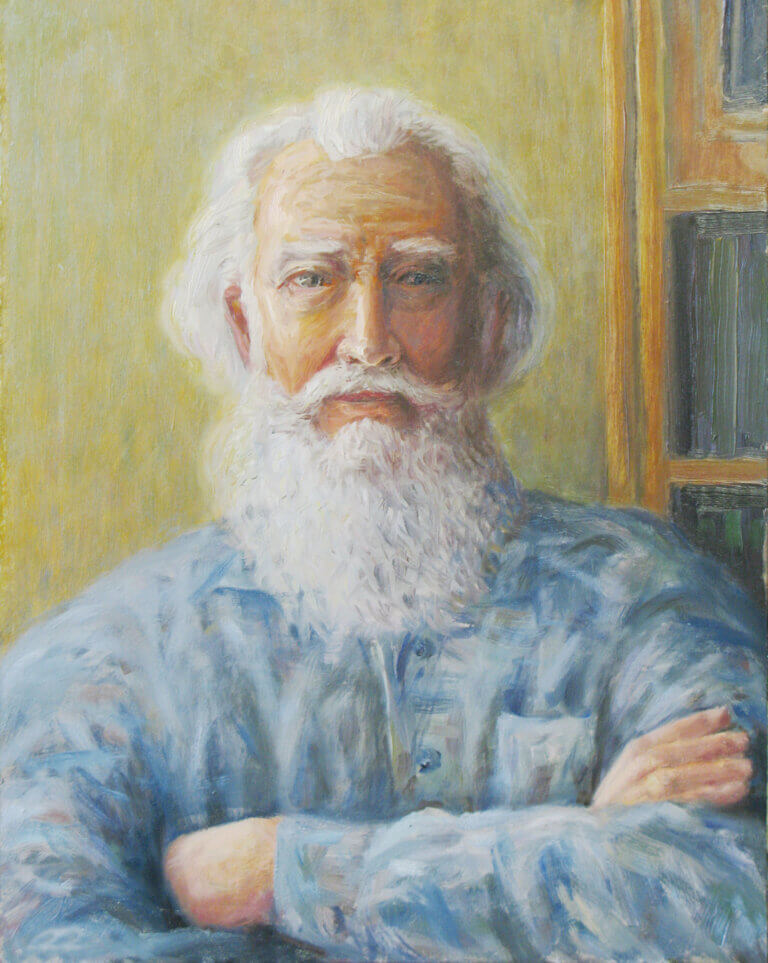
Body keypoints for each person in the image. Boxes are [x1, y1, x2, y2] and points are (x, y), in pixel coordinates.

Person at [1, 88, 764, 962]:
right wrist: (577, 851)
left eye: (417, 277)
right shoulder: (115, 652)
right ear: (245, 325)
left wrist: (285, 870)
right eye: (312, 279)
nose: (368, 340)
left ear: (490, 321)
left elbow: (729, 894)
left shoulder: (642, 594)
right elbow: (43, 940)